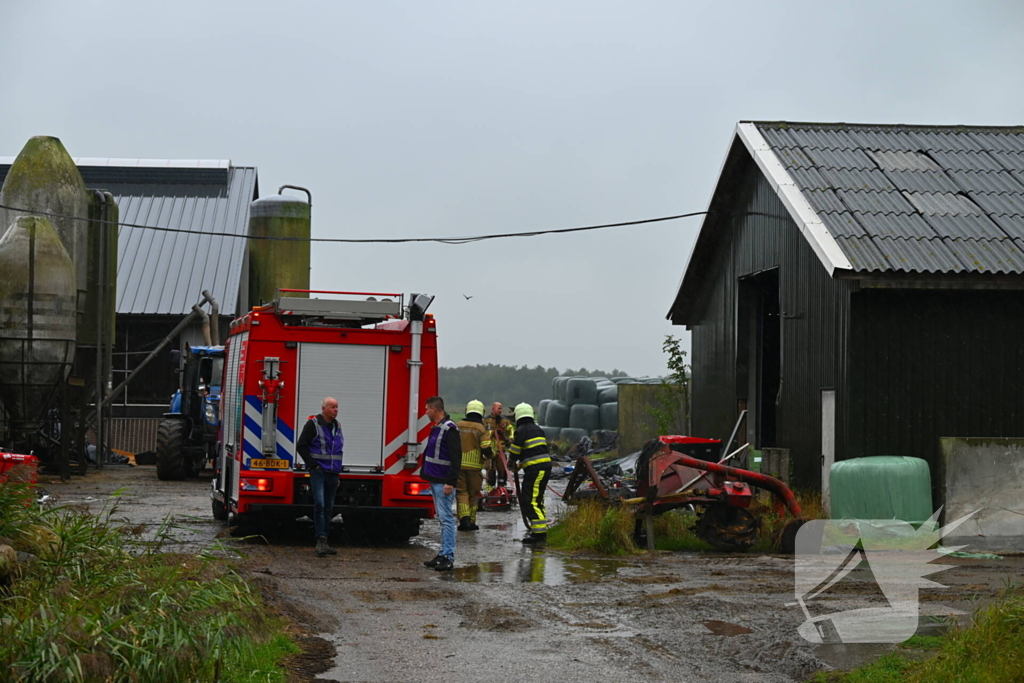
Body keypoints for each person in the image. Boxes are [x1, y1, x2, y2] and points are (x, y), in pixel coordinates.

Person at [296, 397, 345, 557]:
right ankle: (321, 539)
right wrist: (313, 465)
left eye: (337, 407)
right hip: (318, 471)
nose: (335, 410)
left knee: (329, 507)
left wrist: (337, 473)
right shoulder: (313, 425)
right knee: (320, 504)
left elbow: (337, 451)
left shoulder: (337, 426)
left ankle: (324, 540)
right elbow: (301, 445)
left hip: (332, 473)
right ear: (324, 409)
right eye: (332, 407)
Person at [421, 396, 462, 571]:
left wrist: (450, 482)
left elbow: (456, 457)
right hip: (436, 479)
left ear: (435, 409)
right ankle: (443, 553)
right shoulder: (438, 428)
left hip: (443, 482)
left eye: (427, 409)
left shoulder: (449, 429)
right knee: (442, 518)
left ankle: (448, 557)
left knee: (446, 520)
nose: (425, 412)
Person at [507, 402, 552, 546]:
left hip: (535, 470)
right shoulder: (537, 429)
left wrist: (511, 463)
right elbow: (533, 451)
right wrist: (522, 464)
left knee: (531, 500)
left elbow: (515, 451)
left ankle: (539, 535)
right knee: (537, 498)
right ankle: (538, 529)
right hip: (541, 467)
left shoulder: (521, 430)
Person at [456, 400, 493, 531]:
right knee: (473, 494)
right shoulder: (481, 428)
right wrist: (491, 456)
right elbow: (486, 448)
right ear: (481, 413)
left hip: (458, 466)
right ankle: (471, 522)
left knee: (461, 493)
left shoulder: (458, 425)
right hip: (474, 468)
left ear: (467, 411)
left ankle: (463, 519)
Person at [483, 402, 512, 489]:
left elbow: (511, 430)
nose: (500, 410)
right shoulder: (485, 420)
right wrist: (493, 432)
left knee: (502, 471)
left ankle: (502, 489)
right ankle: (489, 491)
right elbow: (483, 433)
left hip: (501, 451)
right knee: (490, 471)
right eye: (498, 408)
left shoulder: (504, 421)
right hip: (489, 450)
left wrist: (510, 439)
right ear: (493, 409)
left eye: (501, 408)